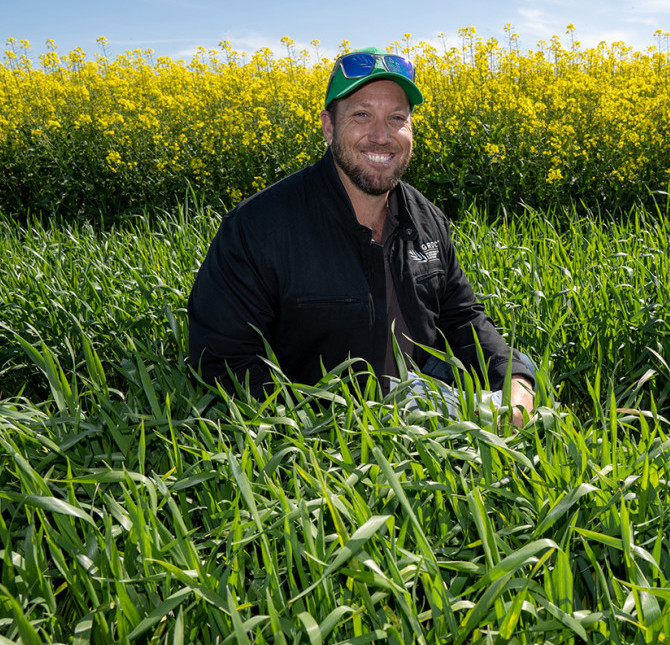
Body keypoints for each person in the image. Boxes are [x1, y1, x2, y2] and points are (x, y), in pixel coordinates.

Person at [187, 47, 534, 425]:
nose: (382, 136)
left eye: (397, 118)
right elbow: (224, 357)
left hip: (420, 410)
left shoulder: (427, 220)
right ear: (328, 126)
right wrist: (318, 435)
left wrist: (514, 377)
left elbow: (461, 316)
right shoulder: (257, 227)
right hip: (319, 439)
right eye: (362, 115)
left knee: (534, 395)